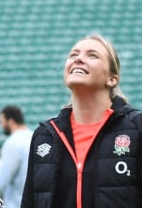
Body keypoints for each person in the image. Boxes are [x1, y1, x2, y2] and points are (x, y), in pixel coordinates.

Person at [21, 34, 142, 207]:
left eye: (92, 55)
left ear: (112, 79)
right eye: (73, 55)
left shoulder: (136, 128)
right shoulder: (45, 136)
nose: (78, 59)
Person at [0, 105, 32, 208]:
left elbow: (2, 180)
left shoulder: (13, 142)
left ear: (11, 121)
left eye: (2, 122)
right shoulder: (34, 136)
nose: (2, 126)